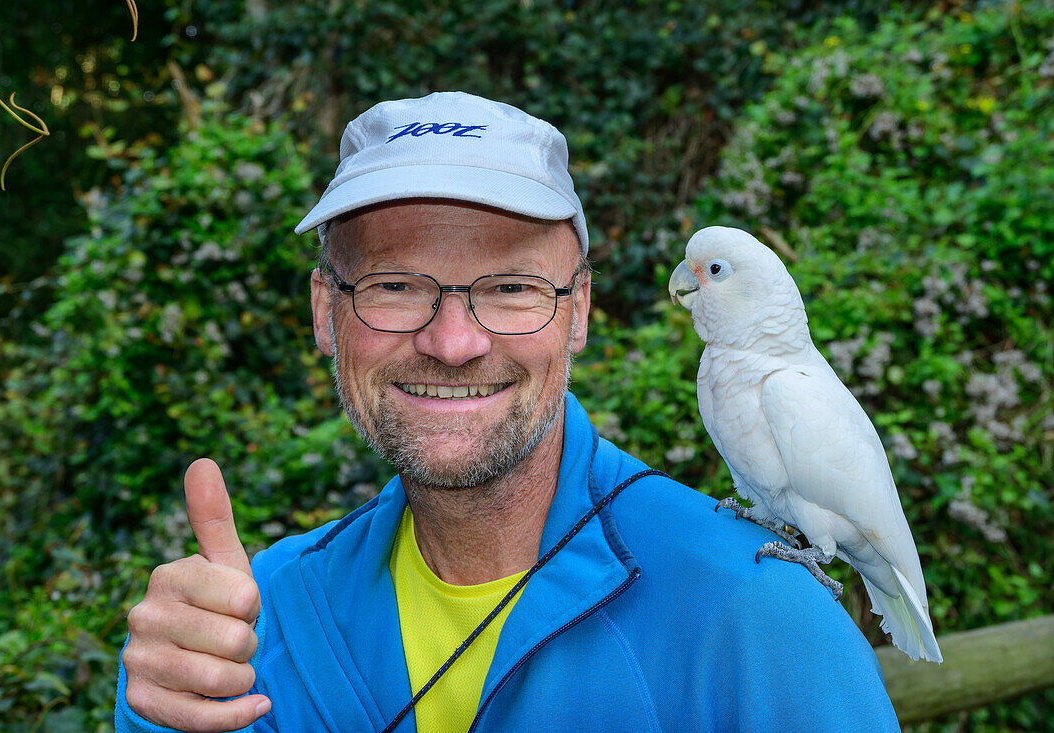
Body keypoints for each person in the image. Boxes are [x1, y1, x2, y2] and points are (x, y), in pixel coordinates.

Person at [115, 91, 900, 732]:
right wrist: (160, 712)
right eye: (394, 285)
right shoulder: (252, 621)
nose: (453, 342)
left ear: (580, 309)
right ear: (326, 312)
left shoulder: (764, 622)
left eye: (512, 287)